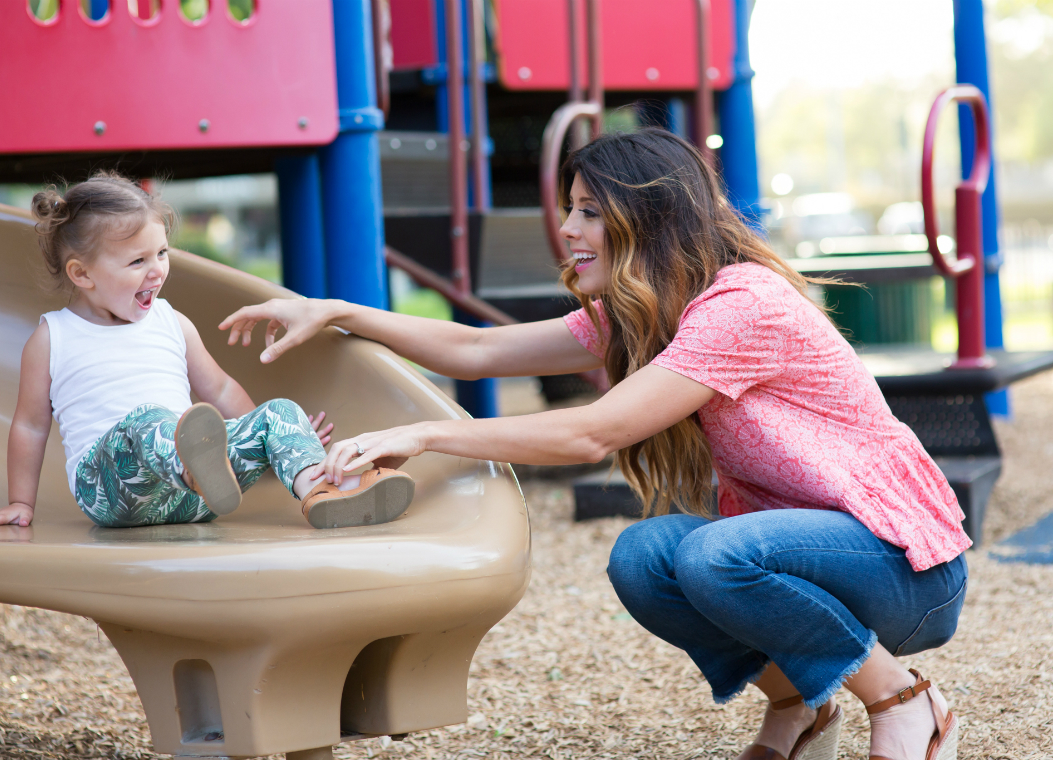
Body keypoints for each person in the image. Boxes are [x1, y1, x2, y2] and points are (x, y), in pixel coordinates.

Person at [220, 129, 967, 760]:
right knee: (644, 560)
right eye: (568, 211)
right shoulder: (648, 313)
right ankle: (805, 705)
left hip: (905, 570)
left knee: (716, 554)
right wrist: (338, 310)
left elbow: (591, 432)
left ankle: (904, 700)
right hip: (811, 562)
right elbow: (477, 349)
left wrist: (424, 433)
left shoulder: (743, 305)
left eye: (586, 212)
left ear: (650, 217)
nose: (569, 231)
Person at [0, 172, 413, 532]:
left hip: (197, 500)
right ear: (82, 274)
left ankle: (327, 489)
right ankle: (190, 463)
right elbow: (31, 425)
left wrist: (272, 440)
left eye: (162, 253)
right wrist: (21, 502)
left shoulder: (172, 322)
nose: (156, 271)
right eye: (137, 261)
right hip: (114, 490)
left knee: (280, 412)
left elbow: (218, 388)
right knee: (147, 421)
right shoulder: (53, 338)